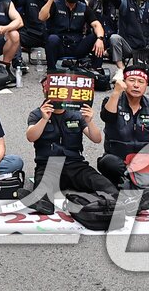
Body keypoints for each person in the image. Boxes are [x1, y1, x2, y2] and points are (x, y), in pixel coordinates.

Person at [24, 75, 115, 211]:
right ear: (44, 91)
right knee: (42, 192)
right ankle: (42, 204)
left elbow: (96, 139)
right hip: (49, 166)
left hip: (75, 165)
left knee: (103, 184)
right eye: (47, 89)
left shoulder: (75, 113)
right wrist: (44, 119)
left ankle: (116, 202)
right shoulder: (37, 114)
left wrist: (89, 121)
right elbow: (31, 137)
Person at [98, 67, 149, 192]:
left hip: (145, 161)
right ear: (124, 82)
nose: (136, 85)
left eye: (141, 82)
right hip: (119, 161)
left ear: (146, 85)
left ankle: (134, 184)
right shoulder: (112, 101)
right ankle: (140, 183)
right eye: (131, 80)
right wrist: (116, 92)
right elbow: (107, 117)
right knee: (107, 162)